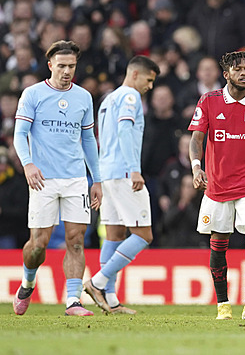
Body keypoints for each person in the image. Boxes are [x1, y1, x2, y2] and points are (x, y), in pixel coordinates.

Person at [188, 51, 245, 320]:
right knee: (219, 241)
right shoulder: (209, 101)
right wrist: (197, 168)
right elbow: (196, 140)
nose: (244, 73)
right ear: (226, 74)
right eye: (238, 69)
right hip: (217, 185)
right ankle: (223, 305)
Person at [12, 40, 103, 316]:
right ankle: (28, 282)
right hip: (43, 179)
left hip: (76, 178)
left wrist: (96, 179)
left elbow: (88, 139)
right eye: (62, 66)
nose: (66, 71)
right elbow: (19, 134)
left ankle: (73, 301)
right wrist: (28, 165)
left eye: (71, 66)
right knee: (38, 245)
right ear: (50, 65)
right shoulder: (33, 94)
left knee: (76, 239)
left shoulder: (84, 97)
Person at [83, 56, 160, 315]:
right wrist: (134, 169)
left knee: (114, 235)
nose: (150, 86)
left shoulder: (108, 99)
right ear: (136, 74)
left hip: (107, 174)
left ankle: (111, 300)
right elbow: (125, 129)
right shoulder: (130, 97)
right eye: (149, 80)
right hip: (125, 173)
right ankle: (98, 282)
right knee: (143, 235)